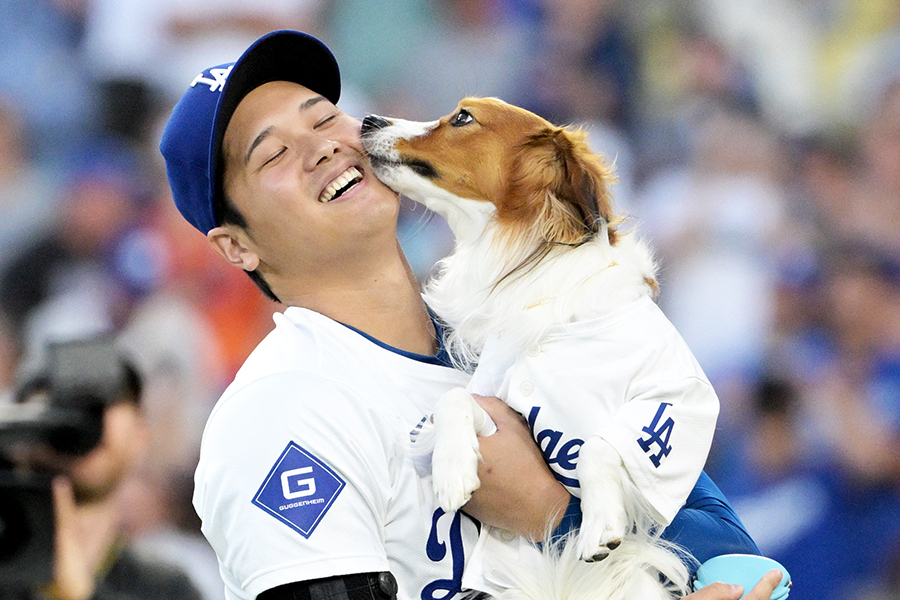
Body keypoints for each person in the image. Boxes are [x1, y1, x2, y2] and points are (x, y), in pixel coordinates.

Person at [159, 30, 779, 600]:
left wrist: (552, 512)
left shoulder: (522, 322)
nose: (322, 146)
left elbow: (716, 533)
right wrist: (552, 513)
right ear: (236, 245)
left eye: (324, 117)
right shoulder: (285, 408)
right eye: (273, 155)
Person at [5, 336, 204, 600]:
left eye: (100, 401)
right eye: (58, 400)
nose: (81, 420)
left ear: (141, 434)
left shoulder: (168, 589)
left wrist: (82, 594)